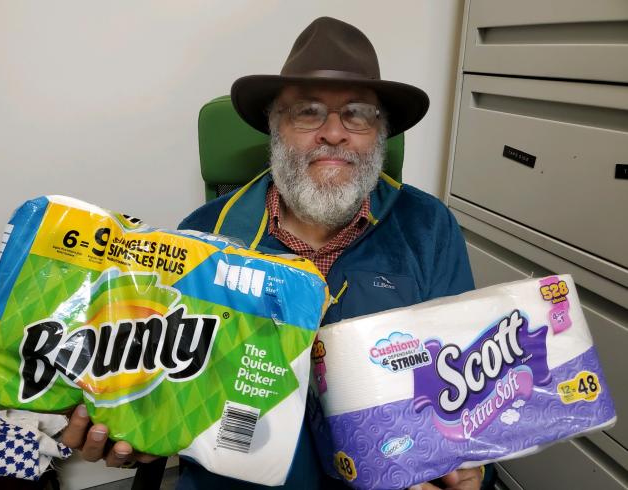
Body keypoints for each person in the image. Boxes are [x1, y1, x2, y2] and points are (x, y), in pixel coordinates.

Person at [62, 17, 493, 490]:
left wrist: (466, 473)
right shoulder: (203, 236)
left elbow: (468, 398)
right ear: (275, 128)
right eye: (307, 112)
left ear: (380, 133)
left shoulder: (428, 227)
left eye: (357, 114)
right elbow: (167, 399)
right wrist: (130, 436)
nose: (333, 134)